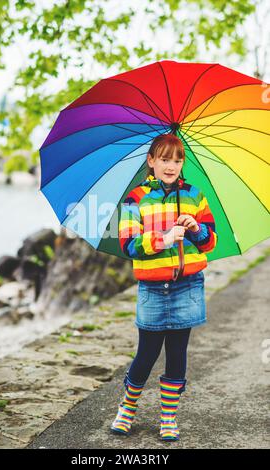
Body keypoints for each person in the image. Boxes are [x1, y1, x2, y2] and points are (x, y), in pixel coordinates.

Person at [110, 132, 218, 441]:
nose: (171, 166)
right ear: (151, 161)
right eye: (165, 159)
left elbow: (211, 241)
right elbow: (128, 244)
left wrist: (197, 229)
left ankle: (168, 417)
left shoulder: (195, 195)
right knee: (146, 352)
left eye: (177, 159)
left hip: (187, 285)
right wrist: (164, 239)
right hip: (153, 288)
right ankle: (127, 408)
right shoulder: (136, 198)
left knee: (177, 353)